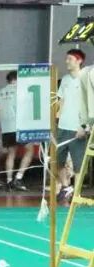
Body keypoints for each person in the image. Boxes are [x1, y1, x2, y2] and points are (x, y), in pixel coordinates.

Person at [59, 49, 88, 203]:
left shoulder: (87, 80)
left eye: (69, 59)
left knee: (78, 165)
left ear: (79, 61)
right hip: (62, 127)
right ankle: (66, 187)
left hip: (78, 129)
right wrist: (56, 120)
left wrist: (84, 126)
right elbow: (61, 101)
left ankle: (76, 195)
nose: (67, 62)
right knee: (56, 161)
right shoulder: (64, 79)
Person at [0, 70, 35, 191]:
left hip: (6, 128)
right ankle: (18, 177)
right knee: (30, 150)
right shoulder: (21, 91)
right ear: (17, 79)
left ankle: (9, 181)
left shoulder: (0, 92)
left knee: (11, 153)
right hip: (19, 126)